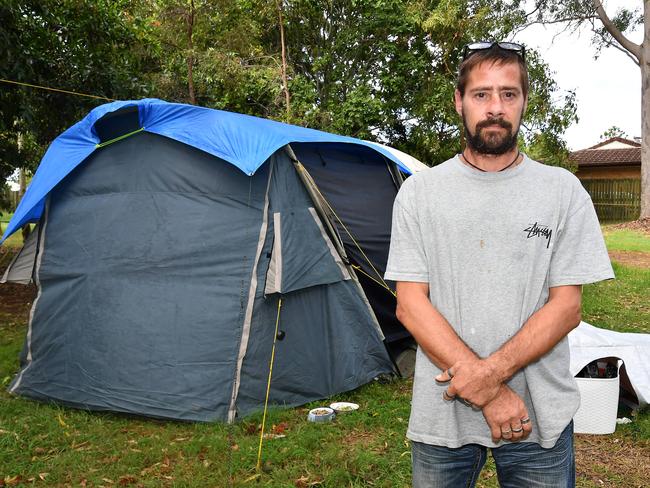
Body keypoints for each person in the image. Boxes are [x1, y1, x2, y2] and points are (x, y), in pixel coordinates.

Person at [384, 41, 614, 488]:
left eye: (509, 94)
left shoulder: (562, 191)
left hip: (538, 416)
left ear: (525, 102)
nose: (495, 107)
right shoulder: (420, 193)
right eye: (481, 94)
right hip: (442, 419)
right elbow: (411, 306)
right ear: (459, 101)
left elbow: (566, 307)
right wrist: (492, 393)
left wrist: (486, 380)